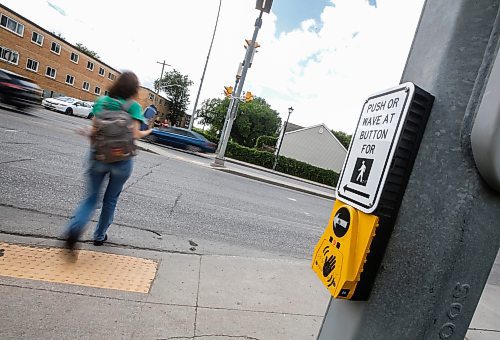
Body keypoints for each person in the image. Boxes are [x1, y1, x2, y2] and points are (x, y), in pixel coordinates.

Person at [64, 71, 152, 251]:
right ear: (134, 89)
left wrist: (94, 151)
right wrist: (148, 131)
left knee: (90, 198)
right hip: (123, 160)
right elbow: (135, 134)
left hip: (99, 156)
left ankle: (74, 230)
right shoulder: (133, 106)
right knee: (110, 200)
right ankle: (99, 235)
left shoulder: (102, 102)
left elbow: (95, 130)